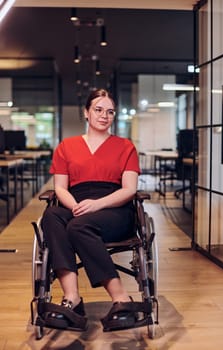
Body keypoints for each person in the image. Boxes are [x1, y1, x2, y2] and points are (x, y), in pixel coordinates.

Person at [41, 88, 140, 332]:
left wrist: (97, 204)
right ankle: (72, 297)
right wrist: (75, 206)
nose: (104, 115)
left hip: (115, 209)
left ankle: (121, 298)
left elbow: (129, 189)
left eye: (110, 112)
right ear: (86, 113)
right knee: (52, 215)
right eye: (98, 110)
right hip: (78, 204)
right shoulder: (67, 146)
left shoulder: (125, 147)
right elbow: (60, 188)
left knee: (77, 225)